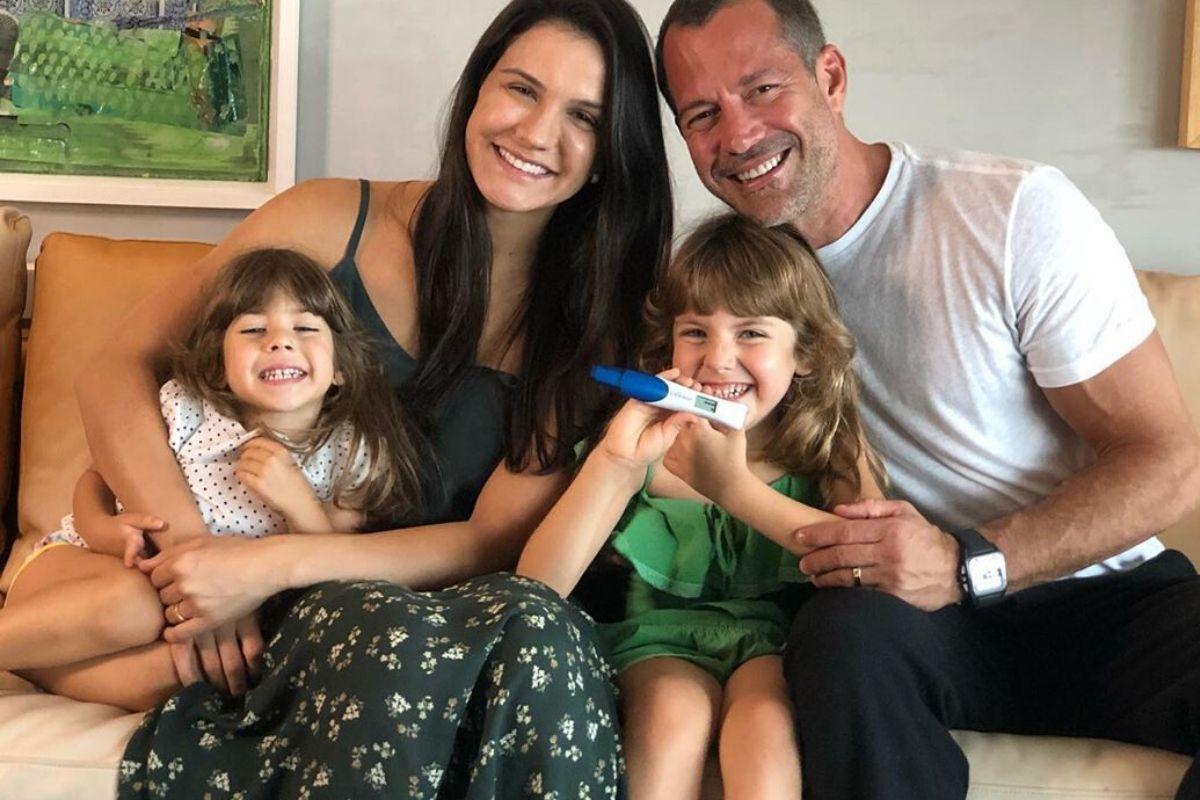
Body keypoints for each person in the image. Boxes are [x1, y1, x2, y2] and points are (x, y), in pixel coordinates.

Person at [74, 0, 673, 796]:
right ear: (477, 90)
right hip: (290, 612)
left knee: (540, 633)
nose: (536, 132)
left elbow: (490, 544)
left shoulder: (597, 322)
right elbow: (116, 365)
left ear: (609, 153)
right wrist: (201, 562)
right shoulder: (329, 219)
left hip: (442, 614)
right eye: (522, 89)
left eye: (583, 117)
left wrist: (267, 566)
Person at [655, 0, 1200, 798]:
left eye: (763, 89)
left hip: (1110, 599)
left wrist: (966, 562)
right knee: (840, 636)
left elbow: (1170, 463)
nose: (737, 135)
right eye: (702, 114)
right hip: (920, 624)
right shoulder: (735, 289)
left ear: (830, 77)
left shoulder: (1010, 212)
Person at [519, 214, 884, 800]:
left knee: (764, 722)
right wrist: (615, 462)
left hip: (771, 646)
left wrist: (734, 487)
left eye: (751, 333)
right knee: (673, 713)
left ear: (807, 353)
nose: (717, 359)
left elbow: (870, 561)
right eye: (695, 332)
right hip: (653, 645)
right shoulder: (640, 444)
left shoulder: (826, 446)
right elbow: (537, 588)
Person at [0, 249, 419, 710]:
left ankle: (32, 661)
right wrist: (102, 529)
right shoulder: (188, 413)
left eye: (304, 328)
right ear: (219, 366)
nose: (280, 342)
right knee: (136, 606)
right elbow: (94, 480)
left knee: (192, 674)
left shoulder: (352, 452)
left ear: (340, 367)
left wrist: (297, 501)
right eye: (254, 330)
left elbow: (337, 559)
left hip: (189, 619)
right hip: (78, 572)